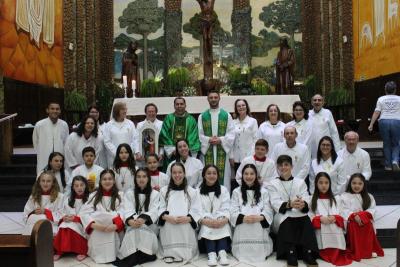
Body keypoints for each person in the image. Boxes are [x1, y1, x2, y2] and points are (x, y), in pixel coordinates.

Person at [267, 155, 318, 267]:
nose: (283, 167)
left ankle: (308, 252)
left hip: (299, 212)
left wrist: (302, 203)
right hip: (282, 214)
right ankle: (290, 253)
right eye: (281, 165)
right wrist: (289, 204)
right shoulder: (272, 184)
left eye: (286, 165)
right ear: (277, 167)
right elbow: (274, 202)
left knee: (306, 218)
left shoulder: (300, 182)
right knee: (287, 220)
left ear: (292, 166)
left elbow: (306, 197)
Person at [114, 168, 159, 267]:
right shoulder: (130, 193)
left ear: (148, 179)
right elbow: (127, 209)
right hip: (133, 223)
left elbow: (154, 210)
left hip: (148, 223)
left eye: (144, 176)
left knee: (141, 229)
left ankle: (145, 254)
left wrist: (143, 219)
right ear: (135, 179)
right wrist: (131, 221)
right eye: (138, 177)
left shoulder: (155, 194)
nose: (141, 179)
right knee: (134, 229)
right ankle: (132, 254)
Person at [158, 162, 202, 263]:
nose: (177, 175)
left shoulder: (192, 191)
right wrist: (167, 217)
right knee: (168, 225)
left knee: (185, 226)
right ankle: (169, 253)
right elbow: (161, 208)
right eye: (174, 173)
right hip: (169, 220)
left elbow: (197, 209)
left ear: (184, 173)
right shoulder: (164, 191)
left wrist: (188, 218)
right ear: (171, 174)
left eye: (180, 172)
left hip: (185, 221)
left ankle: (185, 253)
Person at [230, 164, 273, 263]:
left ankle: (260, 252)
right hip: (243, 222)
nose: (249, 176)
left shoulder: (264, 192)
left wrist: (260, 218)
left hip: (259, 222)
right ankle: (242, 252)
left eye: (251, 174)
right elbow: (233, 210)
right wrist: (243, 218)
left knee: (257, 225)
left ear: (256, 176)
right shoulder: (236, 192)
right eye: (246, 174)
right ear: (242, 175)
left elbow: (268, 210)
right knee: (244, 225)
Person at [80, 169, 124, 264]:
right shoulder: (94, 195)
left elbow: (123, 212)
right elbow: (83, 213)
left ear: (114, 181)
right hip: (98, 228)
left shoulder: (120, 195)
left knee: (110, 217)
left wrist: (116, 225)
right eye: (104, 179)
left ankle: (111, 253)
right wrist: (95, 225)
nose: (107, 181)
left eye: (110, 179)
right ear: (100, 181)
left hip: (112, 228)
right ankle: (97, 254)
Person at [309, 172, 352, 266]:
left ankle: (337, 250)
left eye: (326, 183)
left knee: (333, 226)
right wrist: (319, 219)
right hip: (320, 227)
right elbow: (309, 215)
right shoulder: (311, 199)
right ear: (316, 184)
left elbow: (343, 214)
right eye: (320, 183)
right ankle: (323, 251)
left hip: (334, 226)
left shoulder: (337, 198)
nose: (324, 185)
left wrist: (335, 217)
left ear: (330, 184)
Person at [341, 173, 384, 261]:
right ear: (350, 184)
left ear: (364, 184)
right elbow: (343, 210)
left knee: (367, 224)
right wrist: (354, 215)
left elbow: (372, 210)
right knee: (354, 224)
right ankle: (357, 250)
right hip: (352, 221)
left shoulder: (369, 196)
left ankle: (367, 250)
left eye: (360, 183)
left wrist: (361, 216)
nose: (357, 186)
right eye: (354, 183)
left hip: (365, 220)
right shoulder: (344, 196)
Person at [198, 90, 235, 191]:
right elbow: (199, 134)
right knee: (207, 174)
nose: (213, 99)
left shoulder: (226, 115)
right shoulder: (202, 116)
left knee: (224, 179)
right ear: (208, 99)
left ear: (219, 98)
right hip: (207, 152)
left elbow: (232, 133)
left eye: (215, 97)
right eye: (211, 97)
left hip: (222, 151)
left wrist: (221, 140)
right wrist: (208, 139)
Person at [197, 165, 231, 266]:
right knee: (207, 227)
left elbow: (226, 207)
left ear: (218, 175)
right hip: (206, 219)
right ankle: (211, 254)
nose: (212, 176)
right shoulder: (198, 191)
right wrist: (205, 220)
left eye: (214, 173)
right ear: (204, 175)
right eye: (209, 173)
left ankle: (222, 253)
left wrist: (222, 219)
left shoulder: (223, 190)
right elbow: (198, 209)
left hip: (220, 218)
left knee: (223, 226)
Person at [53, 176, 90, 262]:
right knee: (64, 225)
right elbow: (63, 212)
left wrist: (76, 218)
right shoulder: (68, 199)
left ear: (85, 186)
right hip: (70, 222)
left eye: (81, 185)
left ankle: (82, 250)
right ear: (73, 187)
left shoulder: (90, 199)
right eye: (76, 186)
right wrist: (64, 217)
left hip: (83, 224)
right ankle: (60, 251)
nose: (79, 188)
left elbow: (89, 214)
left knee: (71, 226)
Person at [159, 97, 201, 171]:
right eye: (177, 104)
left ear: (185, 105)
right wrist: (172, 149)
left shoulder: (191, 119)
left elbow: (193, 136)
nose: (179, 106)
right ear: (174, 106)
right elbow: (164, 134)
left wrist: (184, 149)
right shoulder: (169, 118)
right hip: (172, 154)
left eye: (181, 104)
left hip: (186, 154)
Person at [368, 81, 400, 171]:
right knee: (396, 143)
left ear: (385, 89)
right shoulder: (399, 99)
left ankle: (388, 165)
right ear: (395, 90)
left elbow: (377, 112)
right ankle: (395, 160)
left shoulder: (381, 99)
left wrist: (371, 124)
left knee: (386, 144)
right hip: (397, 121)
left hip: (384, 121)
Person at [32, 102, 69, 174]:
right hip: (44, 156)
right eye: (52, 109)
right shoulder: (40, 124)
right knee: (43, 178)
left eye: (57, 109)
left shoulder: (64, 124)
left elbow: (66, 142)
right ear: (47, 110)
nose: (55, 111)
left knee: (60, 179)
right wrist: (41, 152)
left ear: (60, 111)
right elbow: (35, 141)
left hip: (59, 157)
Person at [23, 171, 63, 235]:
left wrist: (45, 212)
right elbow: (25, 215)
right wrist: (33, 212)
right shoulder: (33, 196)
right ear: (39, 182)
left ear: (53, 183)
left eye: (48, 181)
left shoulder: (60, 197)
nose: (45, 183)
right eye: (43, 181)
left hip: (51, 227)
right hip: (34, 227)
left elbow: (62, 215)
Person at [103, 102, 139, 168]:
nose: (125, 111)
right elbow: (107, 141)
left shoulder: (130, 123)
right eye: (122, 109)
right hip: (114, 157)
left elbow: (135, 139)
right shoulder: (109, 125)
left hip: (129, 156)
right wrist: (117, 153)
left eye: (125, 109)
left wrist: (128, 152)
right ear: (116, 111)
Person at [229, 99, 258, 174]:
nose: (241, 107)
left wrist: (252, 156)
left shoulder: (253, 121)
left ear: (246, 107)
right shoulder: (233, 122)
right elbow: (230, 141)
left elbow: (256, 140)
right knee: (237, 179)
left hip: (249, 156)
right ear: (236, 109)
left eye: (243, 105)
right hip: (236, 158)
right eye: (238, 106)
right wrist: (231, 156)